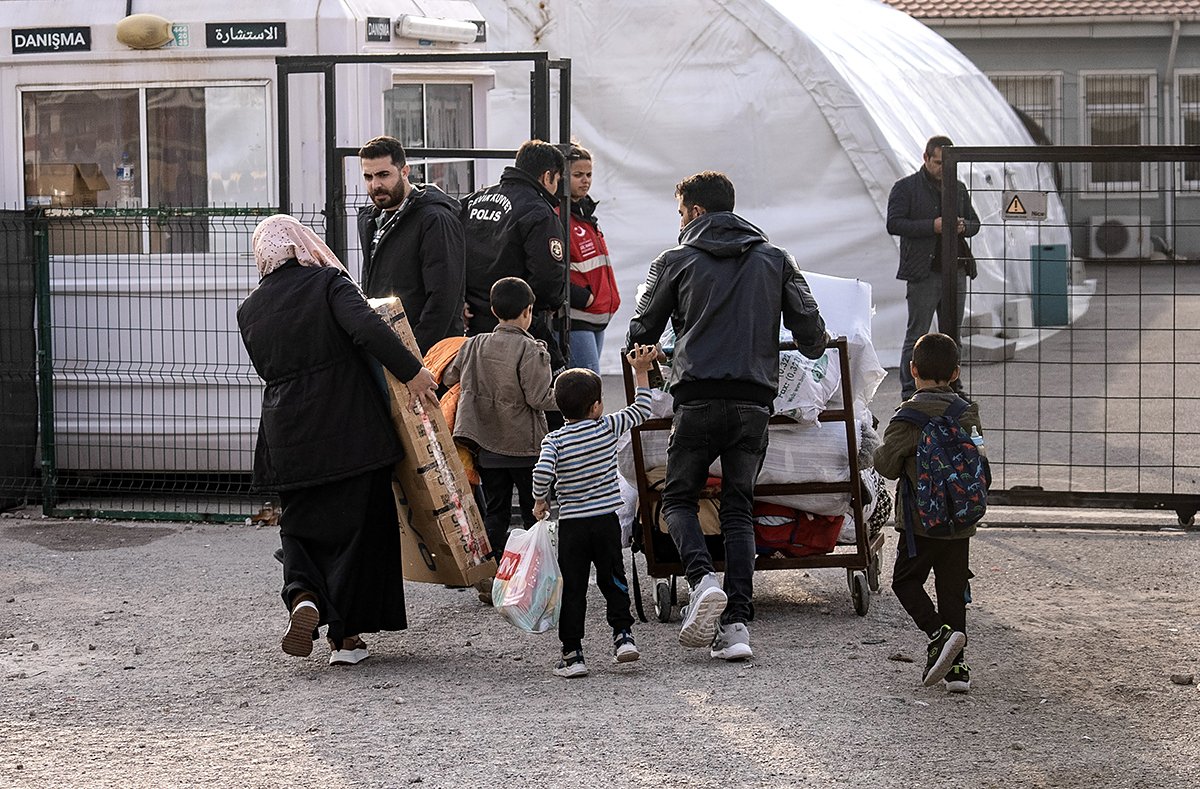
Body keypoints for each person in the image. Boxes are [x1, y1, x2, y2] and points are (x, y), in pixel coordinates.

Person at [626, 171, 828, 661]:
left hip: (694, 396)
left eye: (680, 212)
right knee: (739, 507)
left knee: (676, 498)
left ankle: (700, 582)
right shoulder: (777, 259)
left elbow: (640, 329)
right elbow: (813, 337)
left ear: (693, 211)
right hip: (753, 400)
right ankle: (736, 624)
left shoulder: (673, 261)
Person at [237, 214, 439, 667]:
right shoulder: (327, 282)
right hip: (348, 425)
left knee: (301, 525)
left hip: (285, 434)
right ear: (300, 243)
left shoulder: (249, 309)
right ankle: (345, 639)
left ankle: (304, 595)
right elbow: (367, 329)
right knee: (357, 527)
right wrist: (414, 372)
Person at [531, 345, 657, 678]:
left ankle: (573, 655)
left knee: (572, 588)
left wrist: (540, 500)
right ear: (597, 405)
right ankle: (623, 636)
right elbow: (642, 409)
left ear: (560, 408)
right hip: (605, 522)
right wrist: (640, 370)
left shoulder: (554, 441)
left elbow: (542, 474)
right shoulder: (607, 427)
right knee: (613, 577)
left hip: (572, 526)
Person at [873, 332, 981, 692]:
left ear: (912, 369)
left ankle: (938, 634)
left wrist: (873, 447)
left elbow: (887, 466)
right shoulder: (967, 413)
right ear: (955, 373)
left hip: (921, 522)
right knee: (952, 591)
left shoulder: (908, 416)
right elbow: (978, 463)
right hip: (959, 522)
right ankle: (958, 671)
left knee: (905, 582)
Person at [442, 277, 556, 566]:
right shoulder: (531, 350)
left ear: (493, 311)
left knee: (496, 513)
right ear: (529, 311)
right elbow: (539, 397)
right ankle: (536, 572)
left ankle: (490, 570)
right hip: (525, 449)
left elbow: (449, 377)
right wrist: (571, 398)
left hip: (487, 448)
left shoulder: (474, 345)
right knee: (535, 513)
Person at [886, 134, 981, 401]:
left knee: (953, 335)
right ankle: (909, 391)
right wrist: (933, 226)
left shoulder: (958, 188)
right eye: (938, 162)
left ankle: (953, 388)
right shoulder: (906, 188)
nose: (942, 168)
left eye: (947, 164)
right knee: (917, 334)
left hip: (956, 270)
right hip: (923, 273)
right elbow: (894, 223)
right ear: (925, 158)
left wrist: (963, 226)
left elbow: (976, 223)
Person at [462, 139, 569, 371]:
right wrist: (548, 303)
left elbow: (452, 255)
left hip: (471, 322)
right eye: (558, 180)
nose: (556, 187)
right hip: (518, 323)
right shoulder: (538, 211)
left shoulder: (473, 201)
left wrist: (459, 298)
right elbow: (547, 275)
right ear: (547, 176)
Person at [357, 135, 466, 355]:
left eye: (383, 175)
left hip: (428, 355)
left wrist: (415, 354)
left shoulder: (434, 219)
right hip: (386, 348)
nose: (375, 184)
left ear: (405, 171)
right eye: (368, 176)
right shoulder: (372, 219)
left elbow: (443, 298)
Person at [565, 144, 621, 373]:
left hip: (596, 314)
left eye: (589, 175)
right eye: (578, 175)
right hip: (578, 316)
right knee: (587, 383)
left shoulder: (586, 215)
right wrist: (582, 297)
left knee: (589, 384)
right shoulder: (560, 215)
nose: (585, 180)